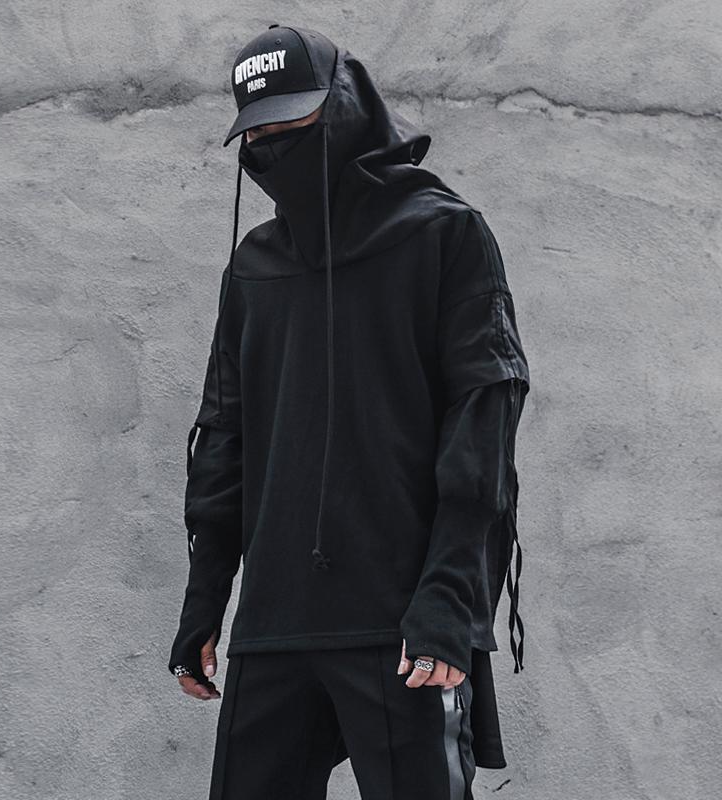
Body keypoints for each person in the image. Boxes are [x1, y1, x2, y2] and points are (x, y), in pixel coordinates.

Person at [168, 23, 531, 800]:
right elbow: (224, 438)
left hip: (401, 623)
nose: (269, 146)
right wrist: (205, 602)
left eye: (289, 123)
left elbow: (483, 421)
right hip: (274, 620)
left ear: (344, 109)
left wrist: (448, 600)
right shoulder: (254, 267)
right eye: (255, 131)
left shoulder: (443, 233)